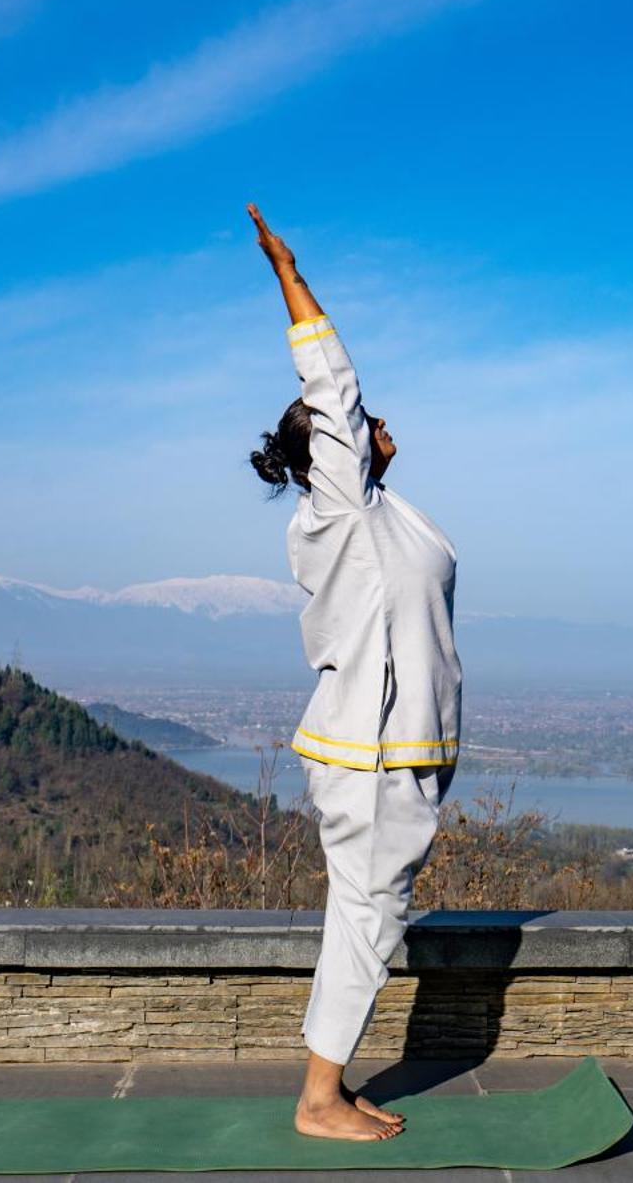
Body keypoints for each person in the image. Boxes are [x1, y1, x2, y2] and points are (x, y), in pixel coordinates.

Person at [244, 203, 463, 1142]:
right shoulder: (340, 512)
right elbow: (331, 386)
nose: (380, 422)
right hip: (371, 755)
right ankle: (318, 1097)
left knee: (366, 917)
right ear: (330, 451)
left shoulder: (372, 514)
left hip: (387, 752)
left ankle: (327, 1087)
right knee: (371, 921)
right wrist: (290, 275)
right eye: (366, 420)